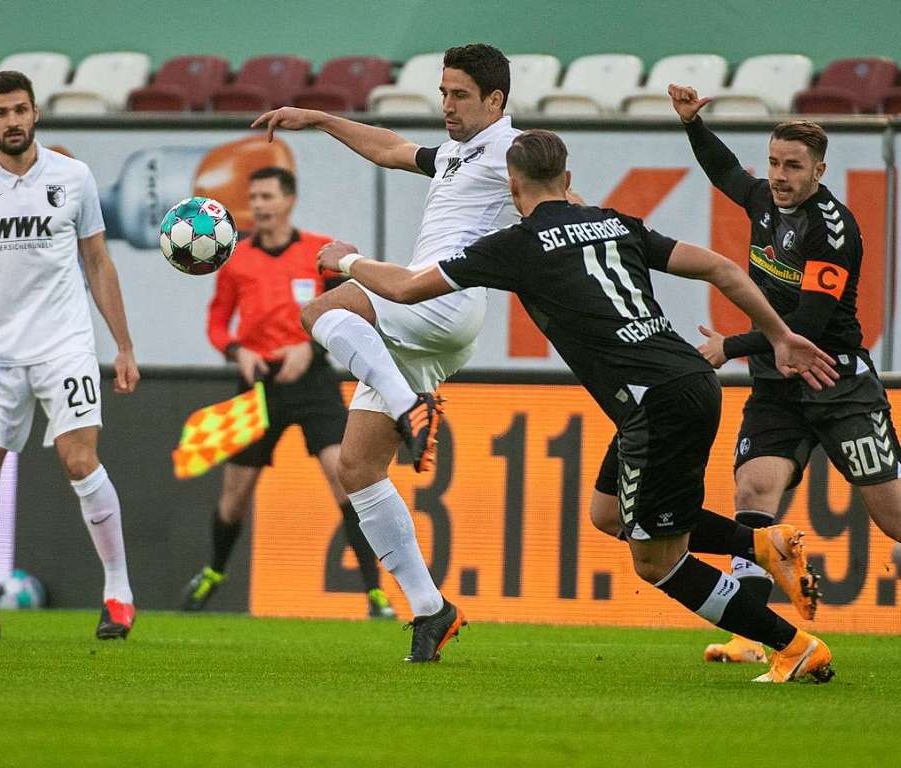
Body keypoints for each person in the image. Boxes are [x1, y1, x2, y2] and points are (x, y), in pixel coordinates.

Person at [315, 129, 840, 684]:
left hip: (653, 402)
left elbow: (403, 289)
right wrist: (779, 336)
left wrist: (349, 261)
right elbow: (722, 268)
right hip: (688, 380)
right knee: (609, 514)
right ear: (567, 180)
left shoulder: (517, 245)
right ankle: (762, 543)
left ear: (513, 187)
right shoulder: (617, 223)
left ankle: (792, 646)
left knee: (657, 562)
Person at [252, 44, 521, 662]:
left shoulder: (512, 147)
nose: (447, 106)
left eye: (459, 95)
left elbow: (563, 194)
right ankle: (432, 610)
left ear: (495, 101)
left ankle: (409, 409)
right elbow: (390, 148)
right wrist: (318, 119)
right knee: (358, 470)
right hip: (426, 320)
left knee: (322, 309)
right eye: (443, 93)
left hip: (442, 296)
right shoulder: (458, 151)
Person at [642, 84, 901, 665]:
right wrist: (692, 126)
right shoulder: (763, 200)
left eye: (794, 167)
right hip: (778, 388)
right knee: (753, 491)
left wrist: (728, 346)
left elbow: (806, 325)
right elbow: (725, 172)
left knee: (893, 518)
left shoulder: (832, 229)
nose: (780, 176)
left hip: (835, 384)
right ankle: (753, 638)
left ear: (820, 170)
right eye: (775, 163)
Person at [0, 71, 140, 640]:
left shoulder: (74, 177)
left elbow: (98, 263)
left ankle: (117, 591)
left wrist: (122, 344)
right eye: (1, 113)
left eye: (21, 110)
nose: (13, 121)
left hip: (64, 346)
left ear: (36, 112)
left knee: (79, 460)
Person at [179, 167, 394, 619]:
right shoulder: (235, 258)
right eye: (253, 196)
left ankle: (375, 594)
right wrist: (236, 351)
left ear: (289, 200)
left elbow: (352, 312)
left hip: (313, 379)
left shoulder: (318, 252)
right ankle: (214, 571)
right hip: (258, 383)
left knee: (346, 479)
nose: (258, 204)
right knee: (234, 495)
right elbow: (218, 323)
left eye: (267, 196)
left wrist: (309, 344)